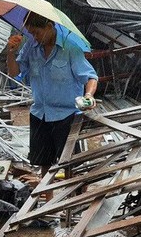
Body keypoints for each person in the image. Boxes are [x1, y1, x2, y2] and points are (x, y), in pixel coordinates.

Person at [6, 12, 98, 178]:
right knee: (44, 164)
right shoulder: (30, 48)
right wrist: (11, 52)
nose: (34, 37)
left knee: (70, 164)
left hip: (67, 116)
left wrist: (89, 95)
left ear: (49, 26)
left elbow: (90, 77)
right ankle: (48, 202)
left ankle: (74, 201)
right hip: (40, 114)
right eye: (31, 33)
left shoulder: (70, 48)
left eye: (37, 32)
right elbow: (15, 75)